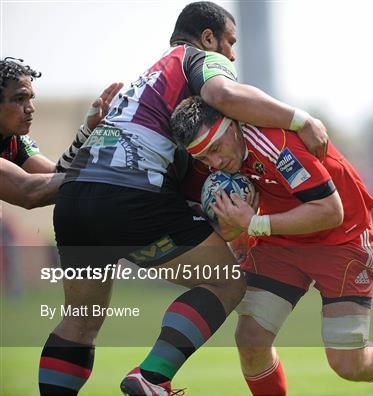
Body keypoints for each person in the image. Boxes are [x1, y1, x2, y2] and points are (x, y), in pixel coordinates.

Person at [41, 2, 329, 396]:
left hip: (74, 198)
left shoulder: (144, 79)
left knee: (80, 321)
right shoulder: (196, 58)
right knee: (227, 281)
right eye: (229, 41)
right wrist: (301, 119)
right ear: (207, 37)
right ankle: (152, 377)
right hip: (129, 194)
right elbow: (222, 93)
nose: (232, 53)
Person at [170, 96, 373, 396]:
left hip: (341, 237)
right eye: (203, 158)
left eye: (215, 149)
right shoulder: (219, 164)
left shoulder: (275, 143)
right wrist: (237, 230)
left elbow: (331, 211)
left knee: (348, 362)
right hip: (281, 241)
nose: (214, 163)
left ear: (231, 126)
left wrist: (254, 224)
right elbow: (236, 227)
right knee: (250, 338)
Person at [0, 57, 122, 208]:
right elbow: (29, 191)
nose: (31, 108)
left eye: (30, 98)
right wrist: (111, 176)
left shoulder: (14, 141)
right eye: (19, 99)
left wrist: (87, 133)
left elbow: (55, 175)